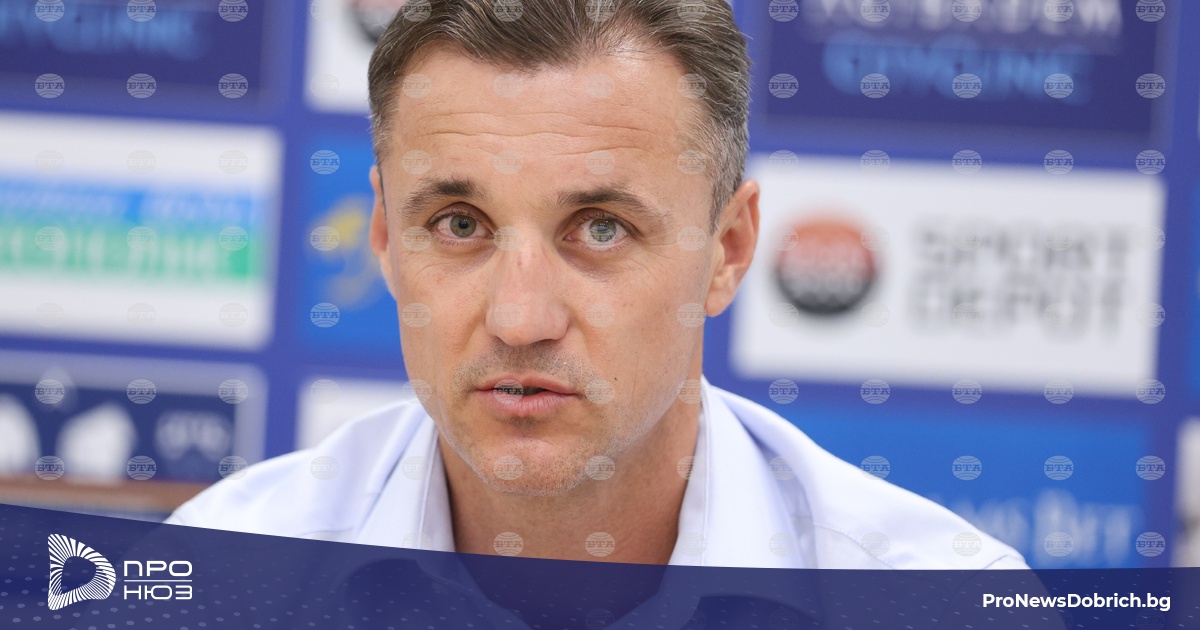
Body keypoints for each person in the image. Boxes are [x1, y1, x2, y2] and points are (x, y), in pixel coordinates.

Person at [167, 0, 1027, 571]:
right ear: (387, 239)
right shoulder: (221, 577)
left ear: (727, 250)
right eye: (460, 224)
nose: (520, 319)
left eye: (602, 228)